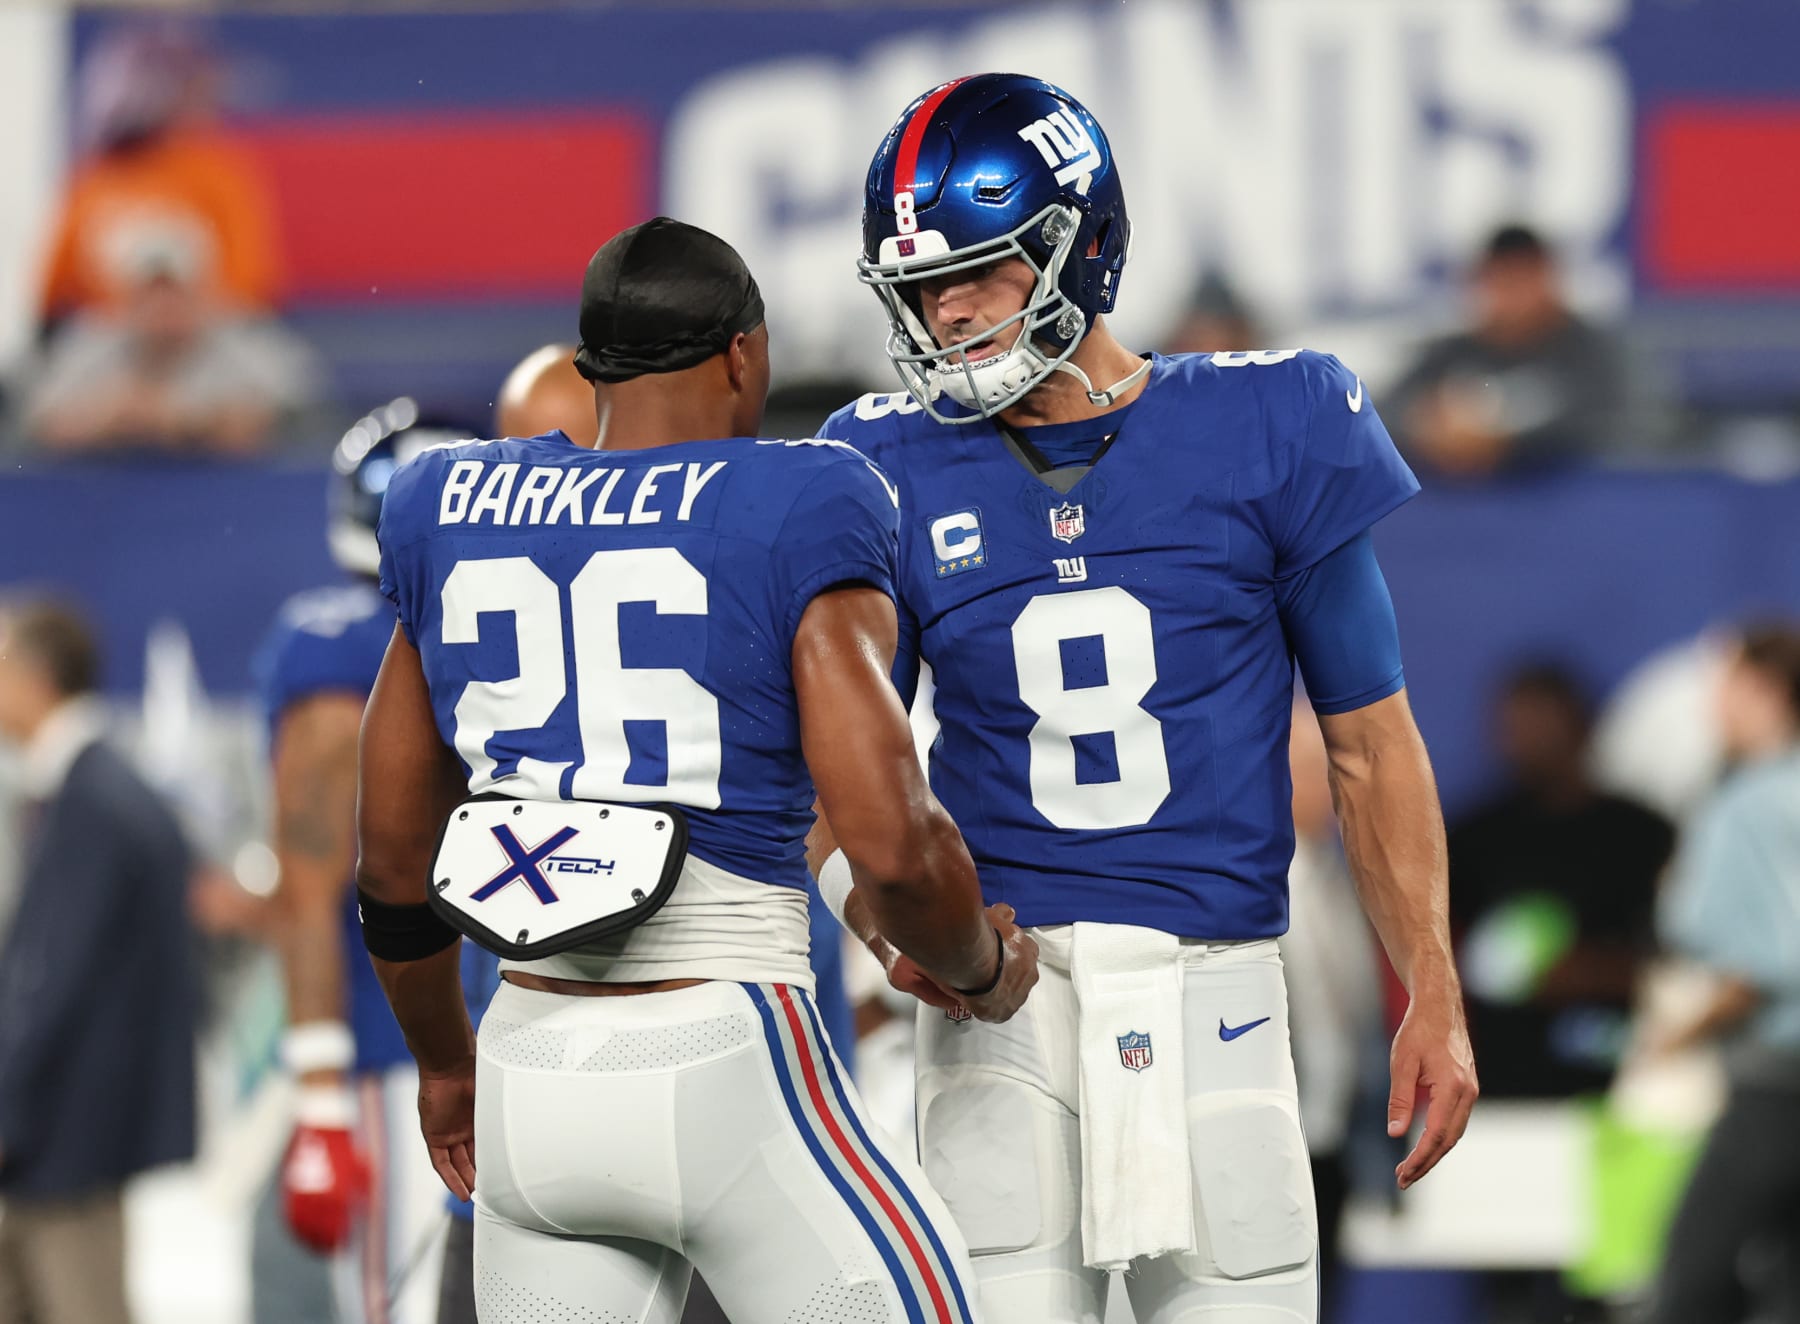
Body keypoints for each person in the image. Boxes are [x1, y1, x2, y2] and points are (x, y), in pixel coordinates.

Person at [812, 74, 1478, 1323]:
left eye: (980, 274)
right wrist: (893, 925)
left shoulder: (1273, 416)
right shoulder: (876, 459)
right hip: (1002, 995)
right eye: (919, 287)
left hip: (1219, 979)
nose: (944, 315)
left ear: (1082, 244)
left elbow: (1370, 748)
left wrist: (1430, 988)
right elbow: (829, 778)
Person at [357, 216, 1035, 1322]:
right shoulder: (801, 497)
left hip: (529, 1066)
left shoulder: (450, 504)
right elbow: (895, 842)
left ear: (588, 371)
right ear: (744, 354)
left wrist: (445, 1064)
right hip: (726, 1045)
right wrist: (979, 967)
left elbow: (390, 863)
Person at [250, 397, 476, 1324]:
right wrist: (323, 1097)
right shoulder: (344, 649)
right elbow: (313, 883)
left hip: (477, 1040)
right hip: (409, 1058)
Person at [0, 598, 199, 1324]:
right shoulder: (95, 789)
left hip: (59, 1146)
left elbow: (51, 979)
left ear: (33, 676)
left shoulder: (93, 803)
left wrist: (7, 1107)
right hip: (53, 1137)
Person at [1647, 623, 1800, 1324]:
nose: (1714, 705)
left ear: (1763, 691)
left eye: (1726, 686)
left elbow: (1769, 959)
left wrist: (1678, 1036)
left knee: (1691, 1282)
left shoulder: (1749, 804)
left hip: (1773, 1086)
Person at [1450, 663, 1675, 1100]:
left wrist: (1597, 971)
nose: (1523, 740)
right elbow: (1439, 954)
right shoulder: (1472, 838)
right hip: (1504, 1083)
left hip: (1628, 1079)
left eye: (1540, 723)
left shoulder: (1643, 834)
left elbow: (1682, 957)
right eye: (1512, 726)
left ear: (1581, 725)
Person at [1384, 223, 1628, 478]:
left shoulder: (1590, 351)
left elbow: (1611, 420)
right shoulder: (1454, 353)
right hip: (1463, 511)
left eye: (1524, 280)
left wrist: (1505, 443)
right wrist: (1428, 429)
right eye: (1503, 281)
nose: (1515, 298)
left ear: (1549, 280)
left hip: (1568, 506)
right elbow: (1385, 412)